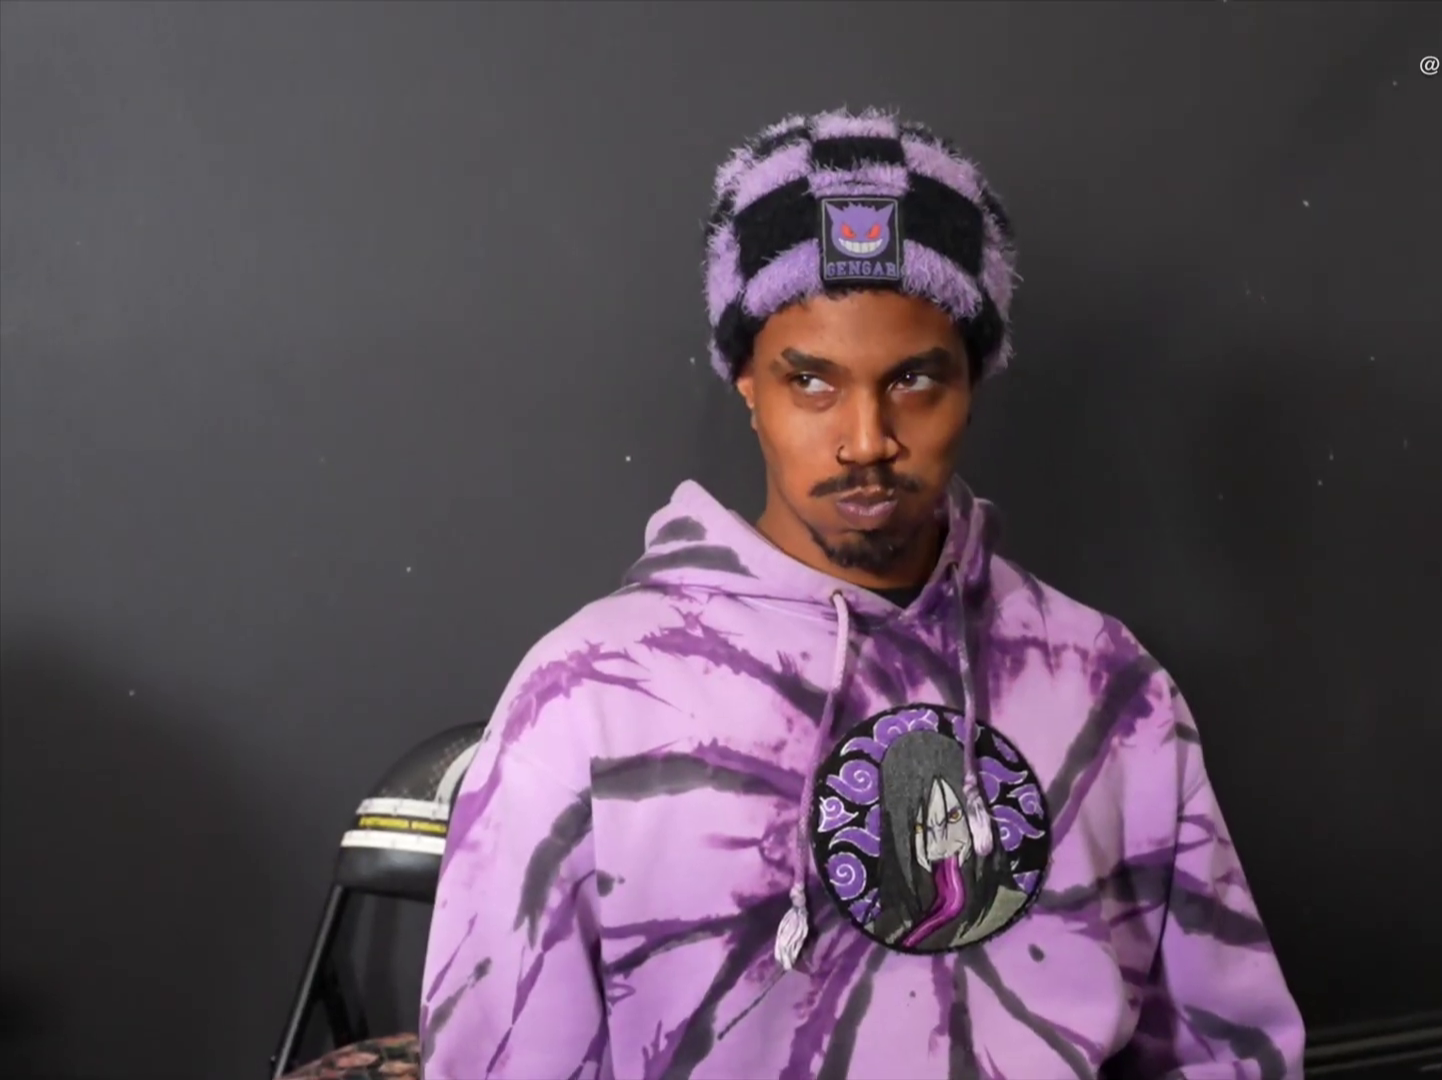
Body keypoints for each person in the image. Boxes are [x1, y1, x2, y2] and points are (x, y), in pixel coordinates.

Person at [419, 106, 1305, 1080]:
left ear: (973, 380)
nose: (867, 439)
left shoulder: (1110, 688)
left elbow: (1226, 1053)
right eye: (812, 381)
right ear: (747, 383)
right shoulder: (588, 698)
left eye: (915, 380)